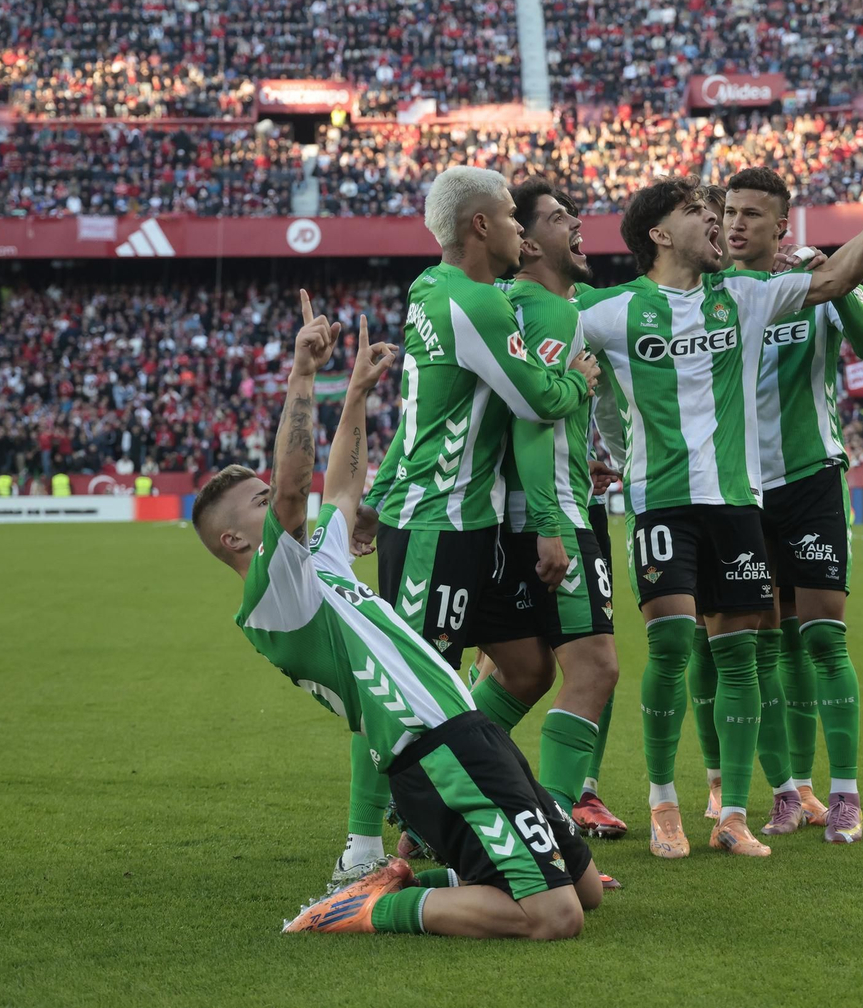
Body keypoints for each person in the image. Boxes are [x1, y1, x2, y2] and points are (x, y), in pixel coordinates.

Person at [190, 293, 602, 938]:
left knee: (585, 892)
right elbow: (297, 486)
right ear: (235, 543)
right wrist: (304, 375)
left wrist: (354, 394)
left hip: (468, 728)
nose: (279, 506)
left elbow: (342, 488)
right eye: (262, 504)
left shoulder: (317, 563)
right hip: (432, 750)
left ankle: (408, 879)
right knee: (555, 918)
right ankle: (370, 909)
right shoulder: (275, 598)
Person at [579, 168, 863, 859]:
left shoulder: (748, 297)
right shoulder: (609, 311)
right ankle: (668, 800)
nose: (720, 221)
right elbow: (568, 371)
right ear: (661, 233)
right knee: (676, 647)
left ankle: (740, 809)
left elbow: (841, 290)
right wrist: (608, 451)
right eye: (705, 210)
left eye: (731, 211)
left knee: (757, 649)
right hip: (665, 500)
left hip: (746, 498)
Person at [345, 166, 600, 885]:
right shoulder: (476, 304)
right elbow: (540, 399)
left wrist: (381, 483)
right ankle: (364, 848)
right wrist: (583, 377)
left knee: (525, 667)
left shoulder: (435, 289)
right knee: (407, 685)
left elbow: (426, 407)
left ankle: (450, 811)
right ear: (480, 227)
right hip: (436, 523)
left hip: (472, 522)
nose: (523, 227)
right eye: (514, 216)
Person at [685, 166, 863, 842]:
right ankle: (785, 789)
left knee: (823, 636)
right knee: (761, 646)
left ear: (782, 225)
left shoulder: (818, 283)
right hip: (739, 489)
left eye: (751, 213)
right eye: (729, 211)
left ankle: (846, 793)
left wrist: (841, 283)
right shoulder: (710, 294)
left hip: (809, 478)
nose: (736, 223)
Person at [464, 180, 626, 837]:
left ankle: (432, 794)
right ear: (527, 242)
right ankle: (556, 834)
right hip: (550, 515)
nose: (577, 223)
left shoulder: (511, 305)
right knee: (596, 667)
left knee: (526, 670)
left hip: (510, 516)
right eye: (560, 217)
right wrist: (555, 524)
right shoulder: (552, 312)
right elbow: (535, 420)